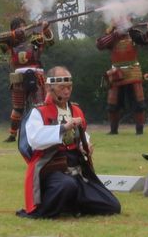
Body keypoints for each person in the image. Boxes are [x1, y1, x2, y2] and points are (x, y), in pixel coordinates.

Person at [17, 66, 121, 218]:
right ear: (48, 88)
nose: (66, 92)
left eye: (69, 87)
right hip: (51, 170)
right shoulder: (38, 111)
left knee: (112, 205)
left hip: (76, 170)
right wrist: (63, 128)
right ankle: (46, 209)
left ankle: (71, 203)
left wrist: (85, 145)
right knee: (66, 185)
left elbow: (83, 133)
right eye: (62, 88)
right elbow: (34, 140)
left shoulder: (76, 109)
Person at [0, 17, 54, 142]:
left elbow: (50, 42)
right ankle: (12, 134)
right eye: (19, 26)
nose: (22, 28)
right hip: (18, 77)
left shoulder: (34, 37)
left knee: (40, 105)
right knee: (18, 107)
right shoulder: (10, 41)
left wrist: (45, 28)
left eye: (23, 25)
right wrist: (15, 33)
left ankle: (43, 131)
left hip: (36, 75)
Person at [95, 19, 148, 135]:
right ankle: (113, 130)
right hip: (116, 72)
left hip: (133, 70)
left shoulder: (134, 33)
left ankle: (139, 130)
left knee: (138, 103)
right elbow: (100, 45)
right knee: (113, 104)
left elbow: (145, 40)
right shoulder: (112, 36)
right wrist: (116, 34)